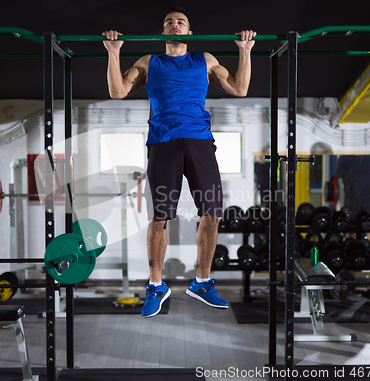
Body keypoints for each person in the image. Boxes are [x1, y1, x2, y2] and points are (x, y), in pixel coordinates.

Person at [102, 7, 256, 318]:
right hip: (163, 143)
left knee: (212, 212)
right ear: (163, 32)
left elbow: (240, 89)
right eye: (169, 22)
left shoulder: (206, 60)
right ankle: (156, 285)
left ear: (189, 32)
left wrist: (245, 51)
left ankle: (202, 281)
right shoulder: (149, 62)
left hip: (199, 141)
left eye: (180, 22)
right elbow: (118, 92)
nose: (174, 24)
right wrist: (113, 51)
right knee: (159, 217)